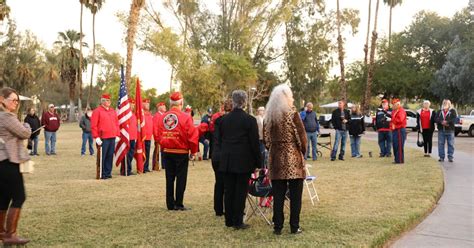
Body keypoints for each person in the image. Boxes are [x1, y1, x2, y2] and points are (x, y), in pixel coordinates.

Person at [264, 84, 307, 235]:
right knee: (295, 196)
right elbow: (301, 137)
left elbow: (267, 140)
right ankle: (294, 226)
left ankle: (278, 227)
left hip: (276, 159)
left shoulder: (269, 116)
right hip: (292, 160)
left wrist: (274, 149)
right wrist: (303, 151)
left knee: (278, 195)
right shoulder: (292, 113)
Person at [218, 90, 261, 230]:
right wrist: (258, 163)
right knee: (240, 191)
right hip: (243, 160)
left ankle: (229, 219)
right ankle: (237, 220)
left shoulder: (223, 120)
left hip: (227, 160)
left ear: (233, 101)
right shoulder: (250, 120)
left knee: (229, 190)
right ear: (244, 102)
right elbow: (255, 143)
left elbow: (220, 140)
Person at [155, 92, 198, 211]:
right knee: (181, 178)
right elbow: (192, 136)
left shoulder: (163, 117)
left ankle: (170, 204)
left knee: (169, 178)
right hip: (181, 152)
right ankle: (178, 203)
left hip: (167, 151)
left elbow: (158, 134)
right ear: (181, 103)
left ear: (170, 103)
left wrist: (163, 144)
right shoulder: (186, 117)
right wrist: (193, 151)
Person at [0, 87, 31, 245]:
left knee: (4, 198)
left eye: (17, 100)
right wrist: (26, 126)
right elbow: (24, 133)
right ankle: (10, 234)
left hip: (2, 161)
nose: (16, 103)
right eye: (13, 99)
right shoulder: (7, 117)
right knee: (19, 196)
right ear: (2, 100)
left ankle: (1, 233)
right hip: (9, 161)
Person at [211, 99, 233, 217]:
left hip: (216, 155)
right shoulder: (229, 121)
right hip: (225, 155)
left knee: (219, 183)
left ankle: (218, 209)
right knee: (228, 184)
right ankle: (228, 208)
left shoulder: (218, 121)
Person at [91, 94, 120, 180]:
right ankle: (102, 173)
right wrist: (96, 137)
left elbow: (116, 124)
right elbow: (94, 125)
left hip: (112, 137)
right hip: (103, 138)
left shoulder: (112, 111)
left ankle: (108, 172)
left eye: (109, 100)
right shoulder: (97, 111)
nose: (109, 102)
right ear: (102, 101)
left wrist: (117, 135)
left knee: (110, 155)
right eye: (107, 100)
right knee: (103, 156)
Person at [391, 99, 407, 164]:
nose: (393, 106)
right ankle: (396, 159)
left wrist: (392, 119)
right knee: (395, 145)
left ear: (398, 104)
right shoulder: (394, 111)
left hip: (400, 130)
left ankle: (400, 160)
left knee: (399, 146)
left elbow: (400, 120)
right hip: (395, 129)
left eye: (394, 105)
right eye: (393, 105)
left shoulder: (401, 111)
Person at [123, 99, 137, 176]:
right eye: (131, 104)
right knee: (127, 154)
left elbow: (134, 127)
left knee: (131, 154)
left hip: (133, 137)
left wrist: (136, 137)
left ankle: (129, 168)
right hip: (127, 137)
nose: (132, 106)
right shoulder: (125, 114)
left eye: (133, 105)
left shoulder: (134, 114)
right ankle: (126, 170)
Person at [153, 102, 166, 170]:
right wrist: (156, 137)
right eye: (163, 106)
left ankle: (164, 165)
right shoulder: (157, 116)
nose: (165, 107)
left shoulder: (164, 115)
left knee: (164, 151)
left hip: (164, 137)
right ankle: (155, 165)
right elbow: (155, 127)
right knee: (157, 152)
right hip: (159, 137)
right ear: (159, 108)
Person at [142, 99, 154, 173]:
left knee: (148, 152)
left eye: (148, 104)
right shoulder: (141, 113)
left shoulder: (149, 114)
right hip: (143, 136)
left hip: (149, 136)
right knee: (143, 153)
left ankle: (146, 167)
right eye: (146, 104)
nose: (148, 105)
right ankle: (142, 167)